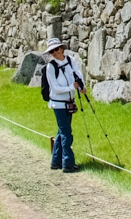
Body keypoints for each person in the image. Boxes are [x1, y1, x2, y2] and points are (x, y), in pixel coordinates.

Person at [44, 37, 85, 173]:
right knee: (66, 132)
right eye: (52, 51)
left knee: (62, 131)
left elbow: (77, 74)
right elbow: (55, 88)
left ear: (62, 48)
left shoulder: (70, 60)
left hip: (69, 102)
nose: (55, 53)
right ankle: (68, 163)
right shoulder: (51, 67)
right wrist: (71, 87)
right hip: (58, 104)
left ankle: (56, 162)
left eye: (56, 49)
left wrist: (81, 86)